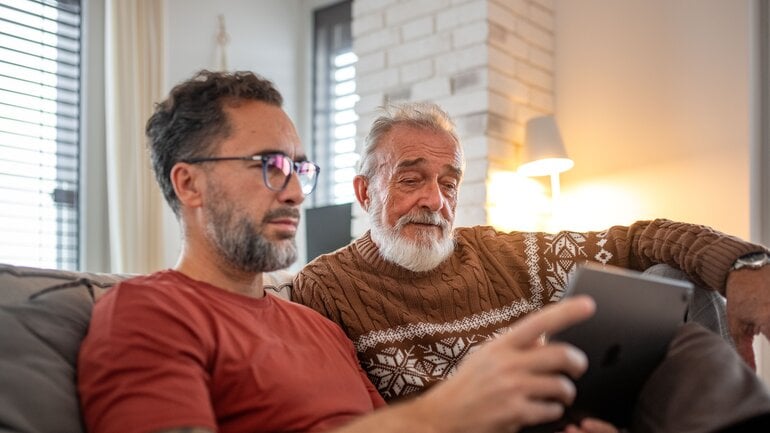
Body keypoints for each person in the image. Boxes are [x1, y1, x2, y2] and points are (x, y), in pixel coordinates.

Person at [76, 70, 619, 433]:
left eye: (299, 169)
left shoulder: (319, 326)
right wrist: (439, 413)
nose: (292, 191)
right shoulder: (147, 313)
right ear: (189, 184)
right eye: (269, 166)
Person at [292, 101, 770, 431]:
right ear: (364, 192)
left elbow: (638, 239)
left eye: (449, 183)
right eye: (411, 179)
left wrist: (745, 265)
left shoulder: (500, 254)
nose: (434, 200)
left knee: (672, 286)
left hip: (568, 412)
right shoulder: (327, 286)